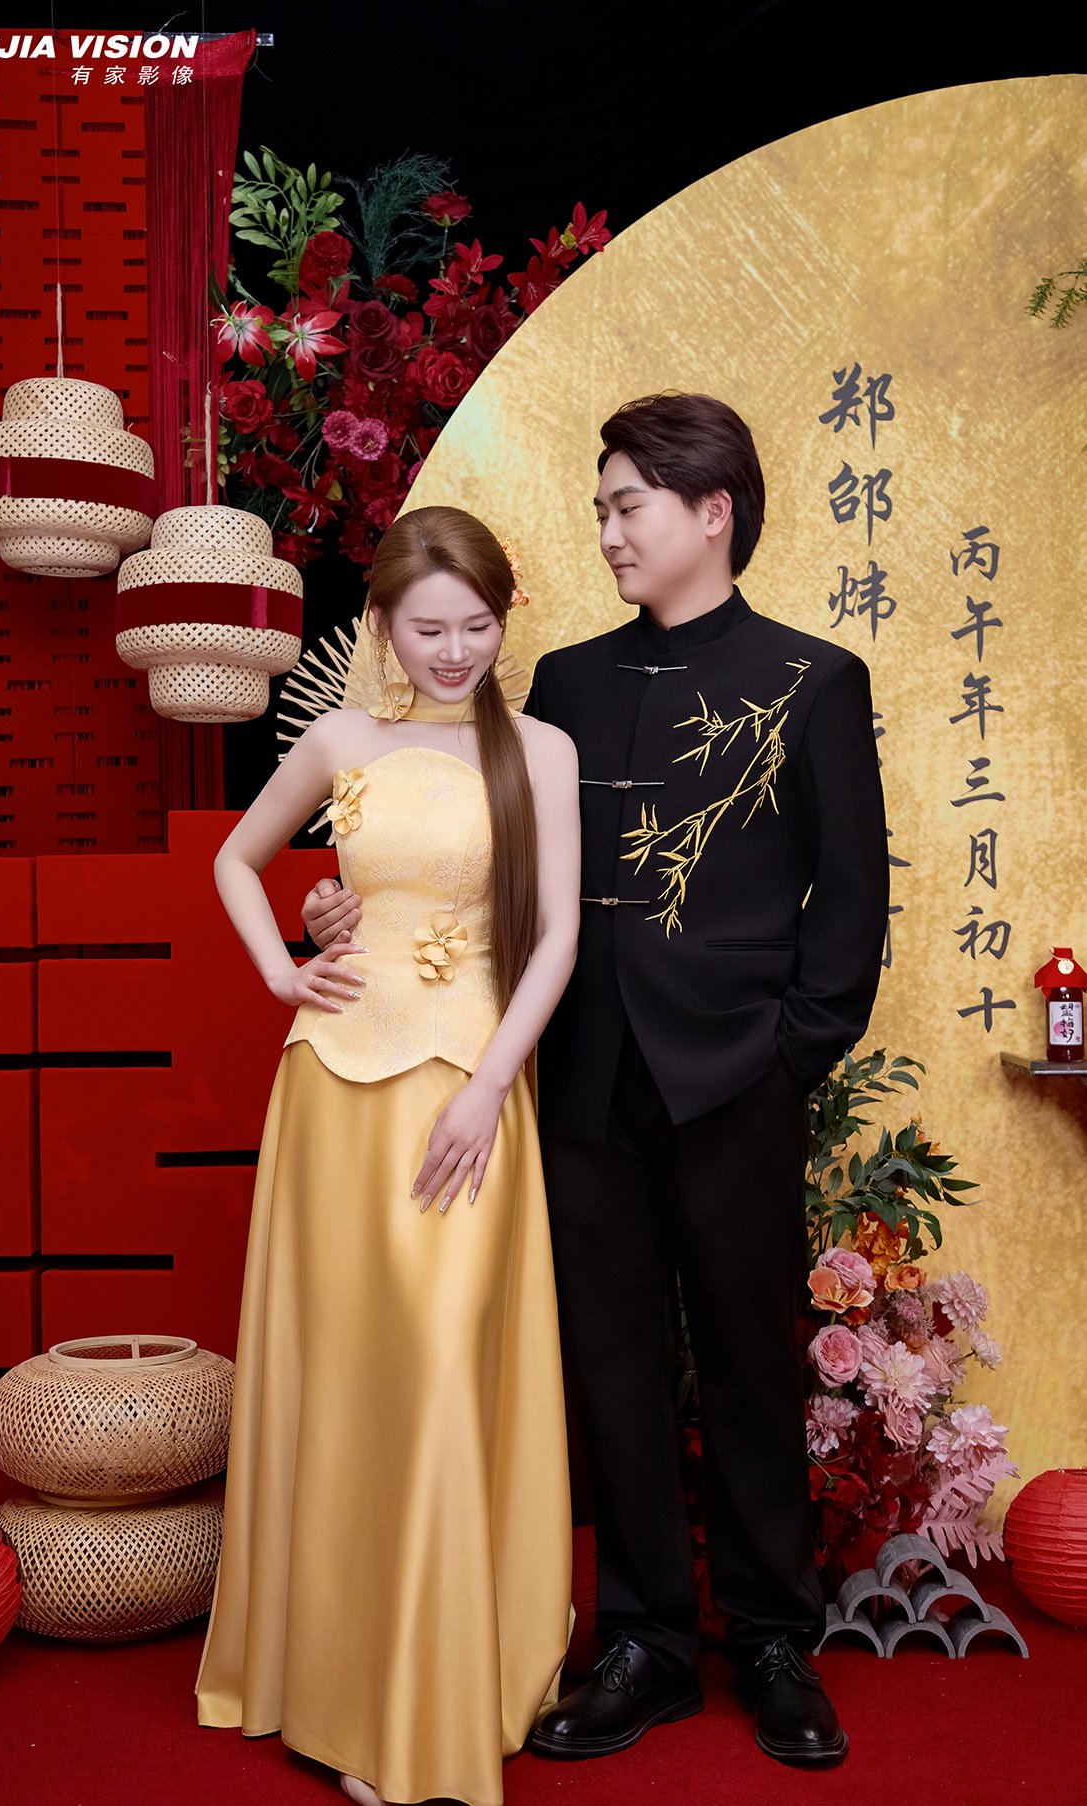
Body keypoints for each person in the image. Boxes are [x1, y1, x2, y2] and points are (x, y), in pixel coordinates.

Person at [302, 394, 889, 1772]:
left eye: (629, 505)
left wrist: (788, 1057)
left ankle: (773, 1639)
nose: (610, 531)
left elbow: (852, 901)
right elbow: (476, 860)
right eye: (604, 507)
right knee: (610, 1365)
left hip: (736, 1080)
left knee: (750, 1360)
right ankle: (644, 1640)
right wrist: (343, 914)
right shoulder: (563, 682)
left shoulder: (814, 679)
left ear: (712, 513)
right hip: (576, 1074)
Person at [195, 504, 580, 1806]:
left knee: (435, 1366)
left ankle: (425, 1704)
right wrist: (283, 967)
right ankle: (342, 1687)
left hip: (465, 1089)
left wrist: (491, 1085)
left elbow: (557, 939)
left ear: (502, 621)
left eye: (476, 626)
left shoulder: (542, 751)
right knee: (351, 1378)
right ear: (382, 627)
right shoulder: (341, 740)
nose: (454, 650)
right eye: (428, 629)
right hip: (334, 1090)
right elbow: (237, 859)